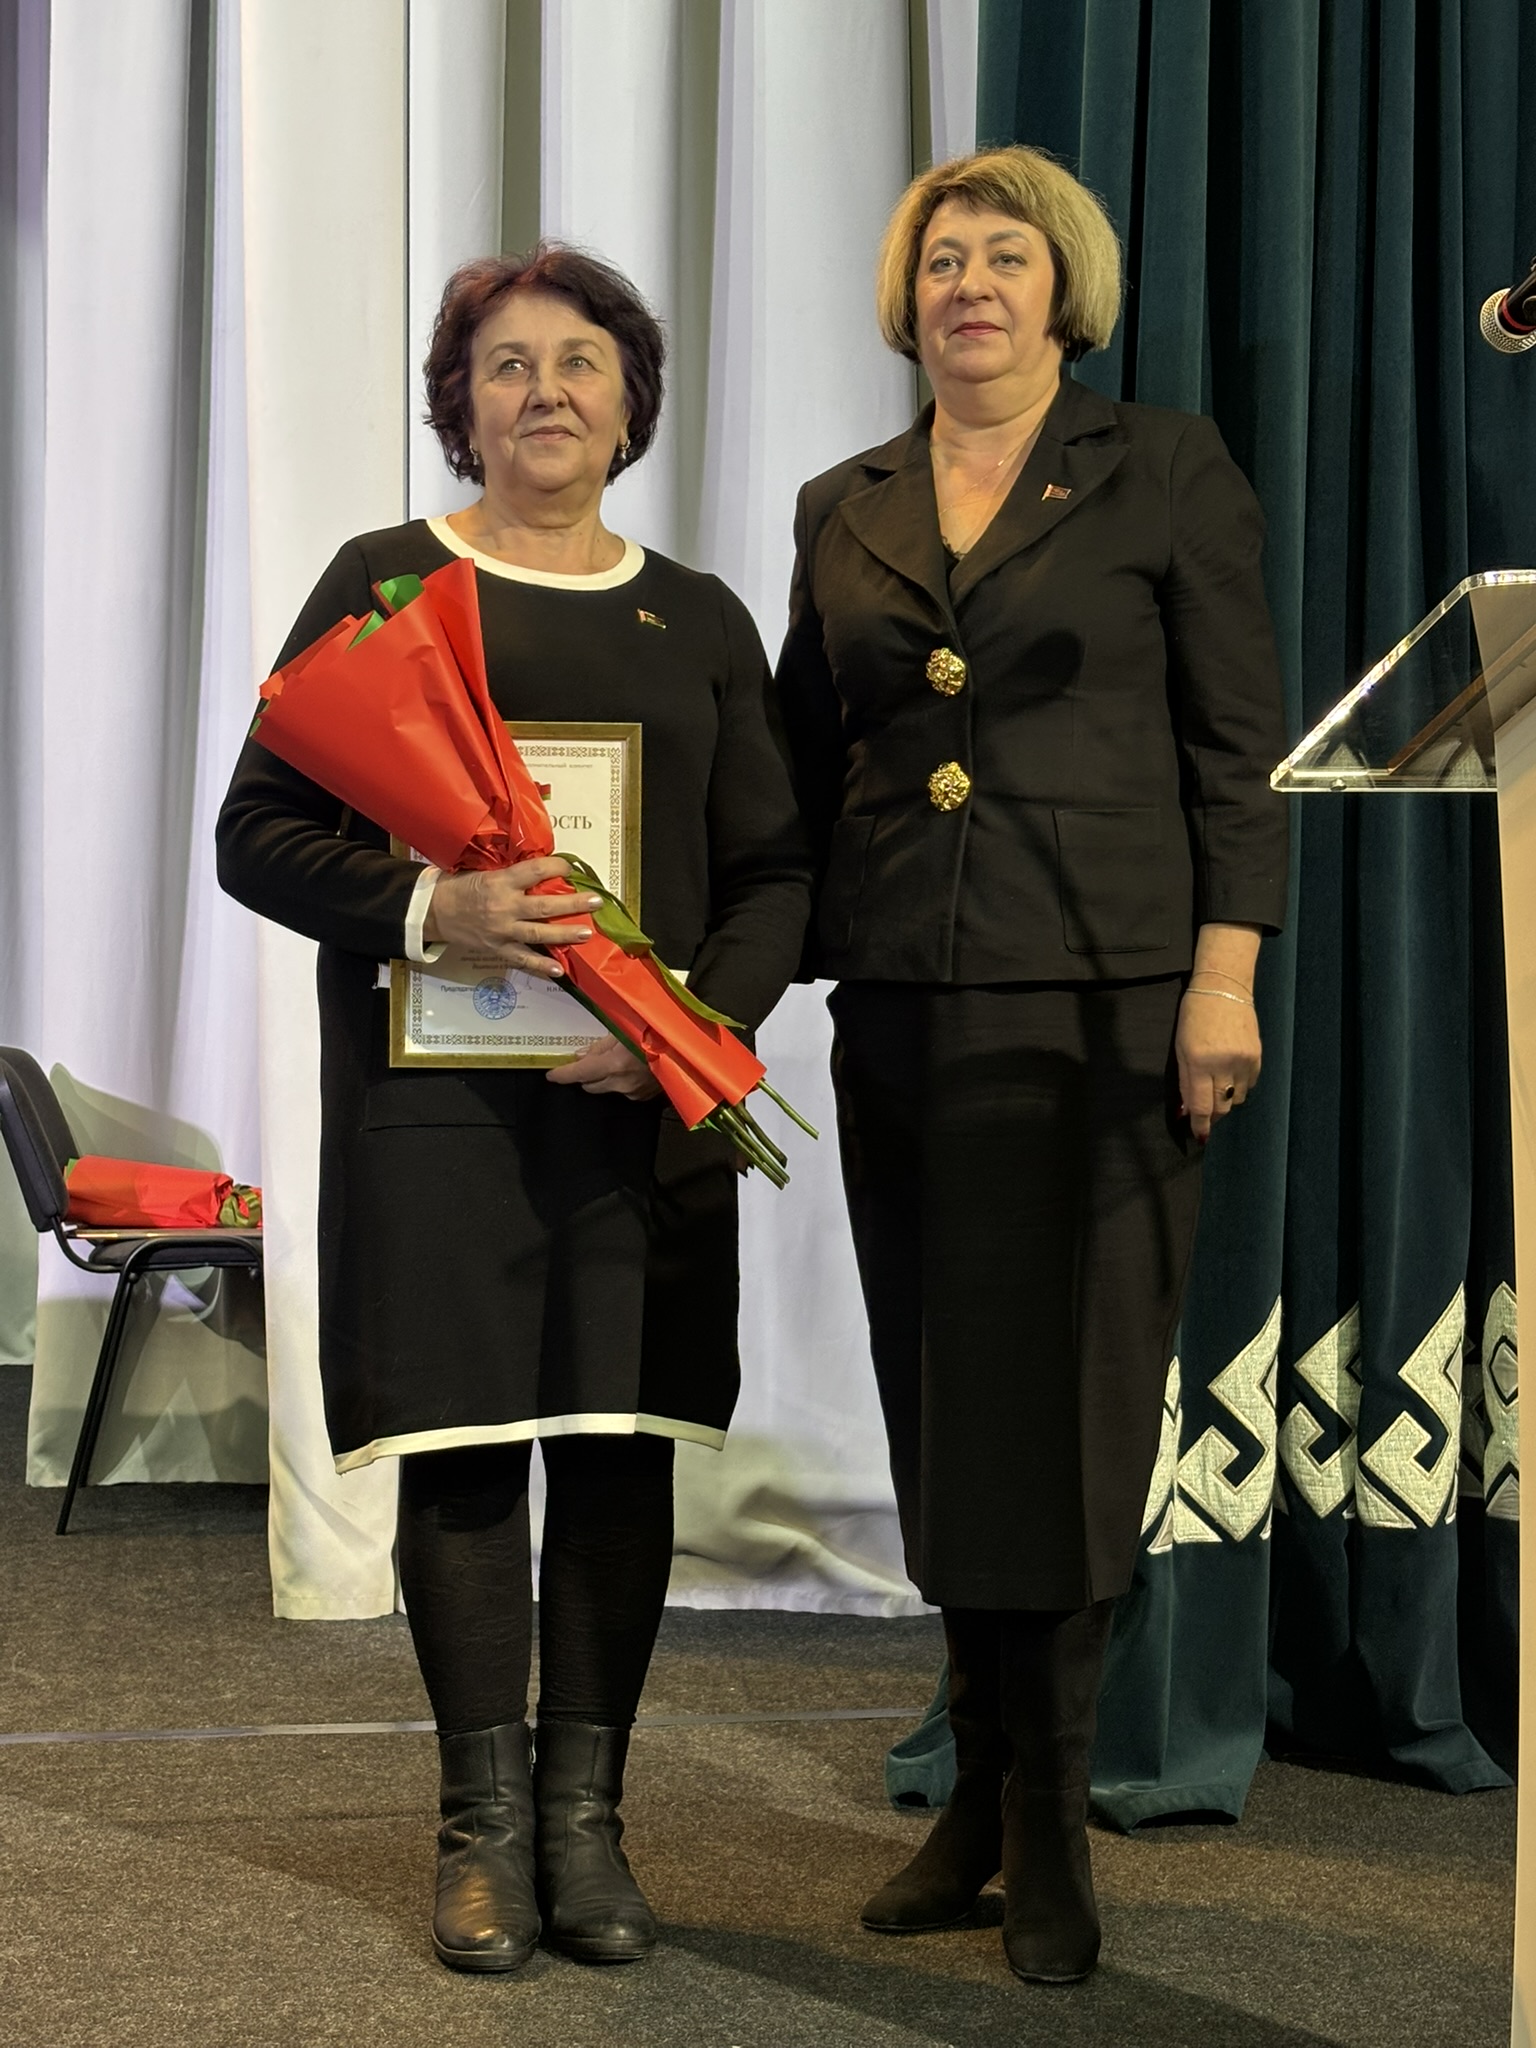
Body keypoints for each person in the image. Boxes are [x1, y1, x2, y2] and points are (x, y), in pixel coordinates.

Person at [217, 246, 808, 1973]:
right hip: (436, 1113)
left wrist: (691, 1030)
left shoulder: (701, 618)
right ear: (458, 406)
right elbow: (260, 834)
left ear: (630, 404)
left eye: (579, 362)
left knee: (620, 1450)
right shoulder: (387, 581)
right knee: (467, 1447)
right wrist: (429, 911)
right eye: (505, 364)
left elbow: (776, 874)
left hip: (640, 1112)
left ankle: (585, 1829)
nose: (545, 390)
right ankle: (479, 1834)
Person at [774, 146, 1289, 1985]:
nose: (968, 286)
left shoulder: (1167, 467)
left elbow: (1239, 747)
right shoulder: (842, 503)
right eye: (941, 260)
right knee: (943, 1400)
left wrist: (1223, 978)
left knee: (1071, 1407)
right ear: (905, 299)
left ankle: (1054, 1812)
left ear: (1065, 291)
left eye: (1004, 257)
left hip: (1110, 1008)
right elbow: (802, 768)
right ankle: (978, 1786)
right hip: (906, 1002)